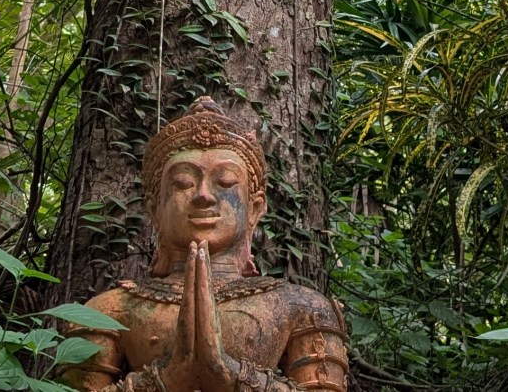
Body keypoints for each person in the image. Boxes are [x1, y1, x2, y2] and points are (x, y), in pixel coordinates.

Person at [60, 97, 348, 392]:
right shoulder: (108, 309)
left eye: (225, 182)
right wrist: (166, 378)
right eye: (183, 183)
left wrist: (230, 374)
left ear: (254, 209)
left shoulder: (302, 307)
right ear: (155, 210)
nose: (203, 195)